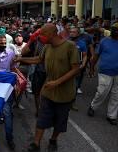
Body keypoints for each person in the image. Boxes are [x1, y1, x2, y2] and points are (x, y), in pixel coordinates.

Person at [16, 24, 79, 152]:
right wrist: (21, 59)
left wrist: (57, 82)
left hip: (65, 94)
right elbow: (39, 59)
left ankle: (53, 140)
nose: (40, 37)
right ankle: (36, 143)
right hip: (48, 91)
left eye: (43, 34)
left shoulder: (70, 47)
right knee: (42, 118)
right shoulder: (47, 47)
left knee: (59, 121)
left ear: (52, 34)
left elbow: (76, 69)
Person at [88, 23, 118, 125]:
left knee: (116, 95)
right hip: (105, 71)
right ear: (111, 30)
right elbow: (96, 56)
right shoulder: (104, 41)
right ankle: (93, 106)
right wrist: (92, 68)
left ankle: (112, 116)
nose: (116, 32)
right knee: (102, 92)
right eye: (114, 30)